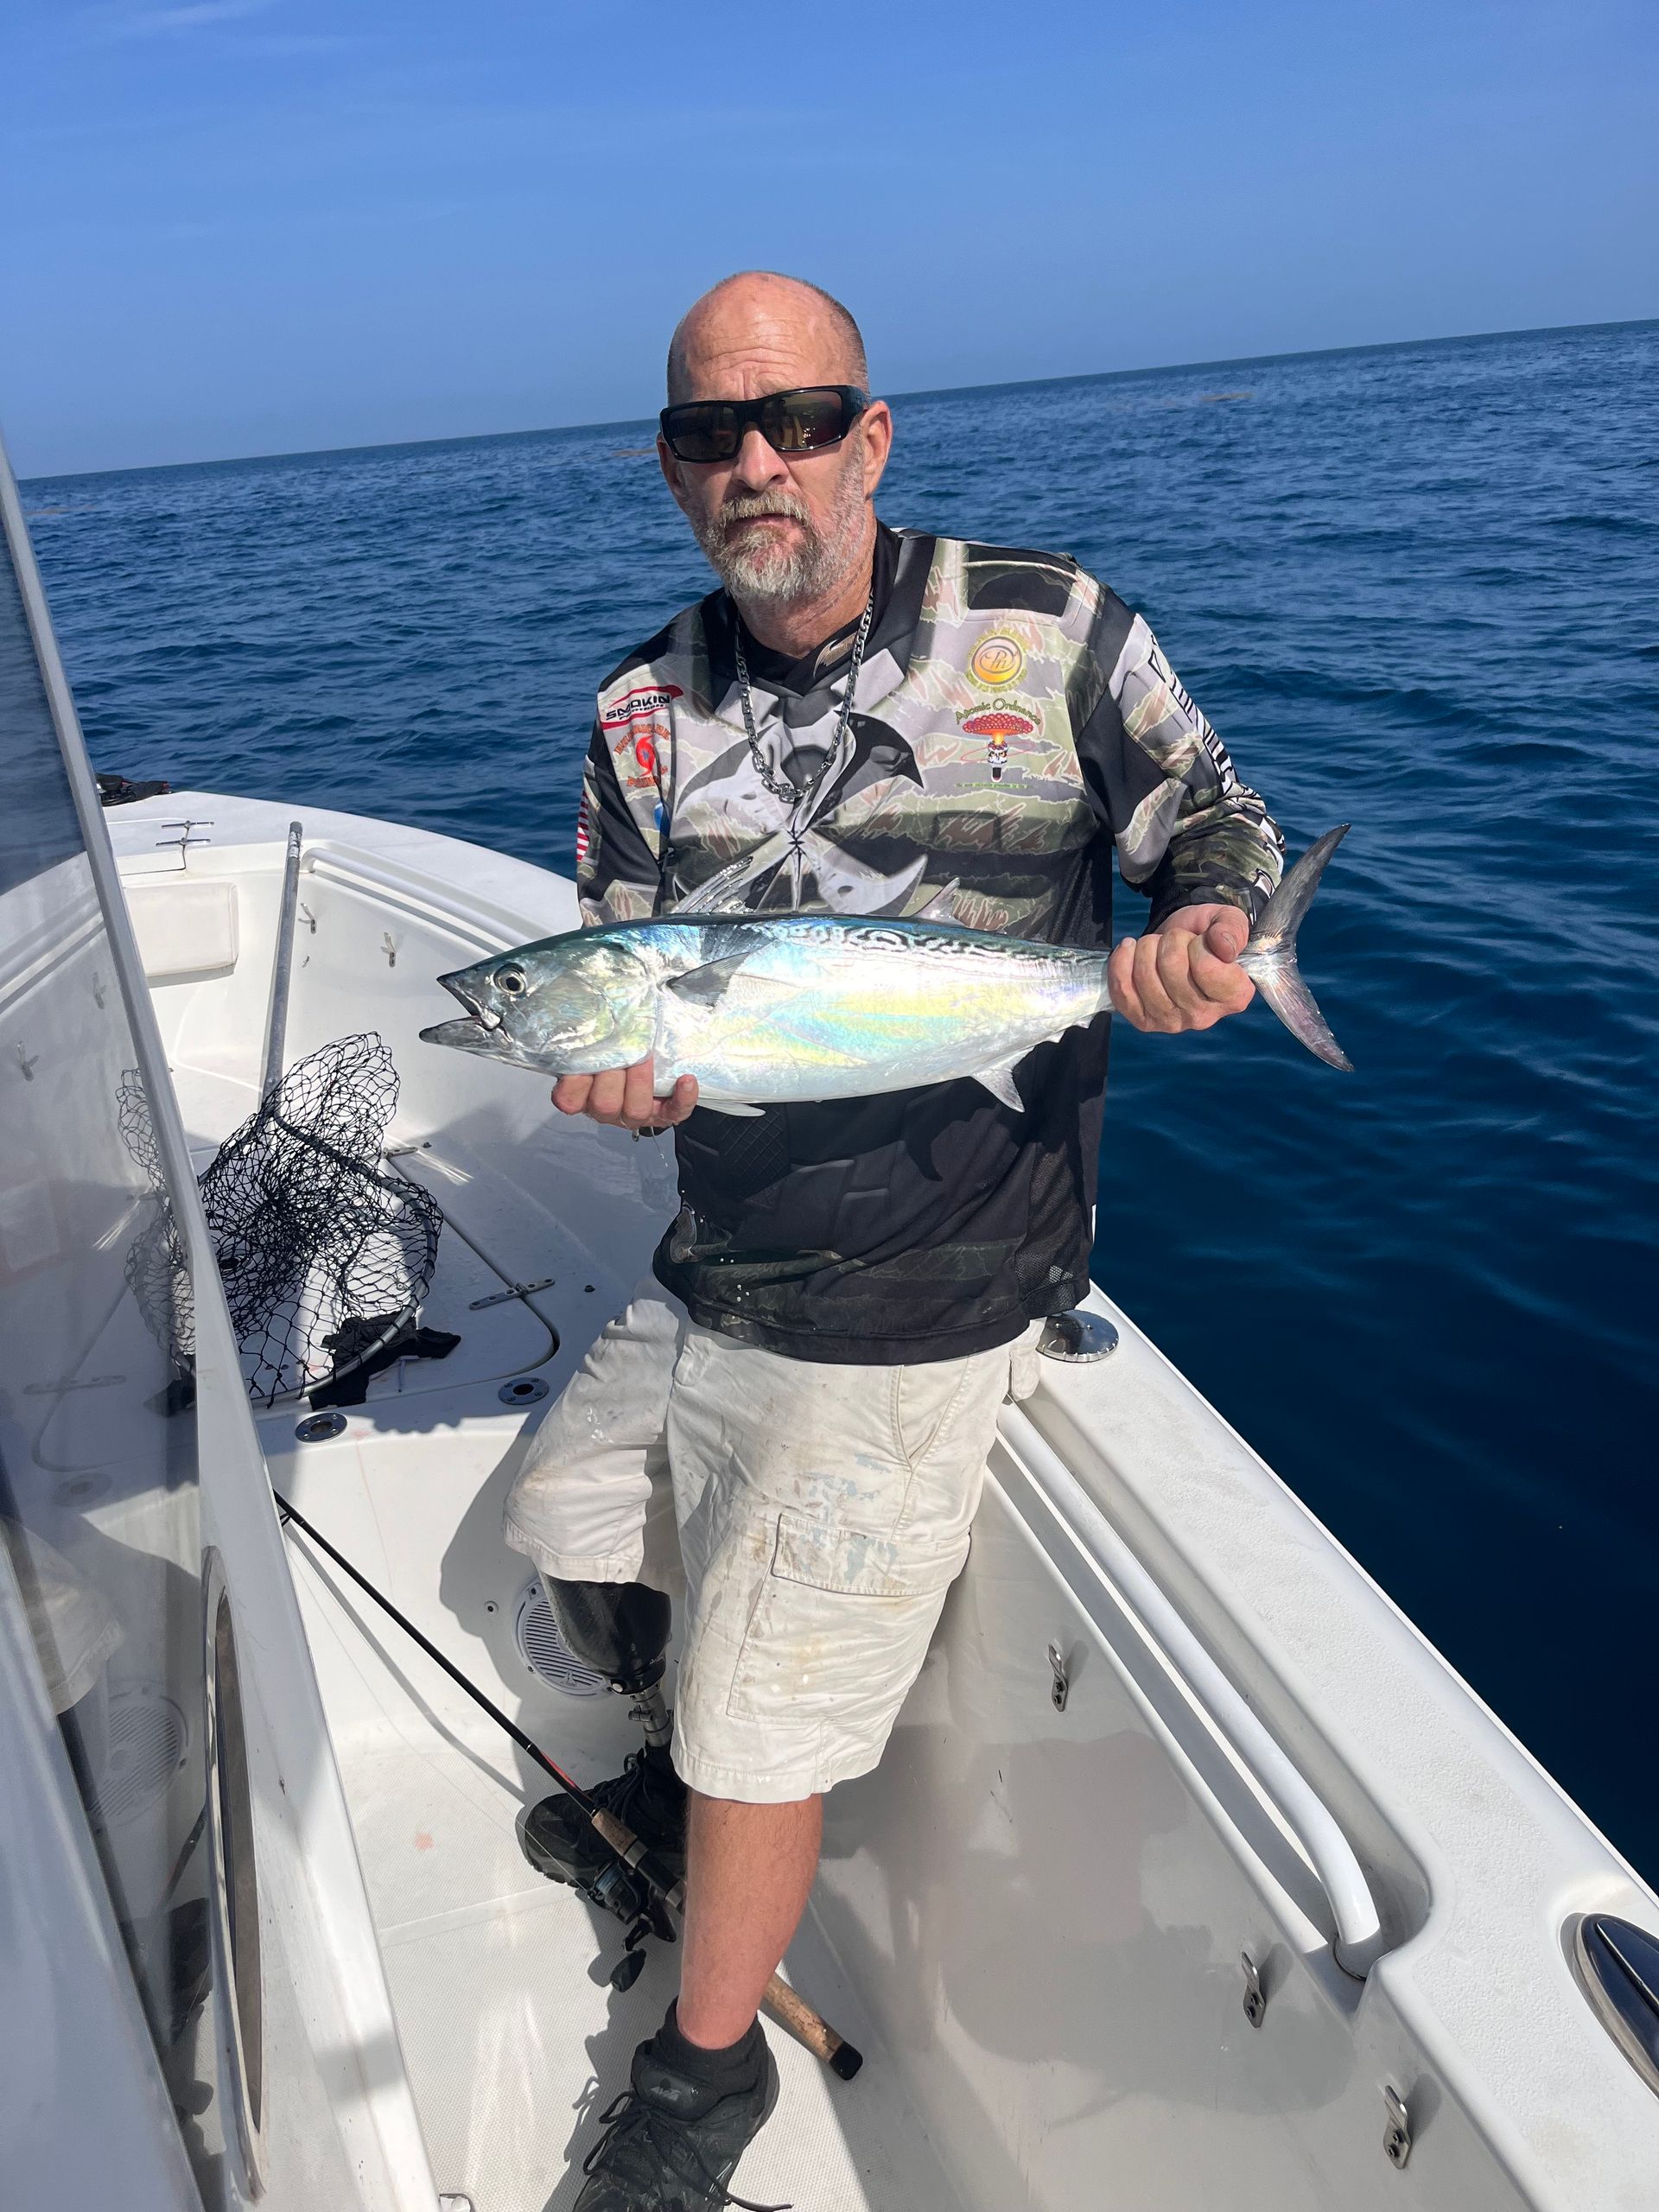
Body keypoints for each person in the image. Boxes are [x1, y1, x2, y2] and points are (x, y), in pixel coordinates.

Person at [502, 270, 1285, 2211]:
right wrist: (623, 1070)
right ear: (672, 469)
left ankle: (700, 2088)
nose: (753, 462)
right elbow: (617, 955)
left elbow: (1217, 825)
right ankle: (682, 1791)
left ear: (871, 437)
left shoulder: (1047, 626)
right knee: (557, 1543)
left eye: (795, 418)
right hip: (727, 1257)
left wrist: (1203, 937)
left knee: (765, 1711)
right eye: (707, 433)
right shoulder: (637, 709)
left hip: (935, 1280)